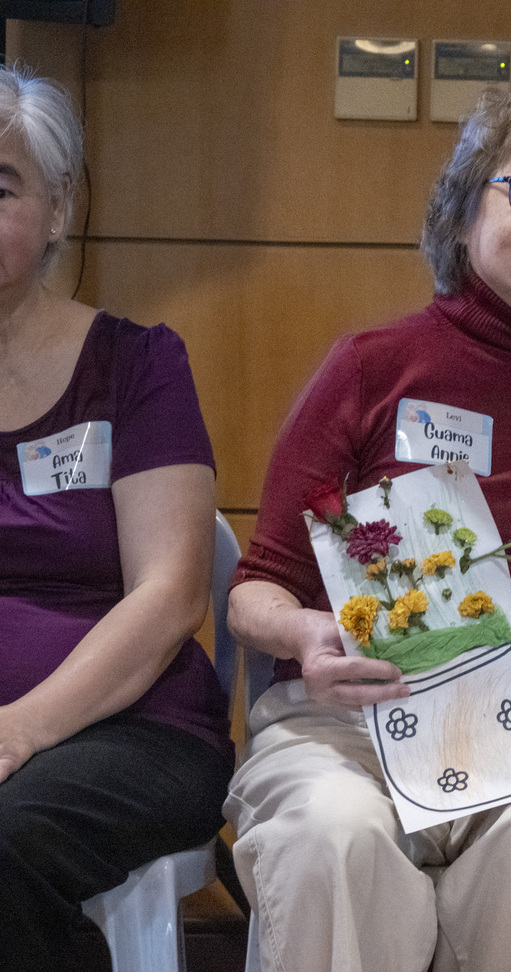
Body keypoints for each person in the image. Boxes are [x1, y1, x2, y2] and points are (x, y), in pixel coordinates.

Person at [224, 79, 511, 972]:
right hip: (352, 722)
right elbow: (256, 588)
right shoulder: (372, 367)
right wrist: (307, 630)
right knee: (332, 836)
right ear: (461, 215)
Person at [0, 66, 232, 971]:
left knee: (7, 841)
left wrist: (20, 727)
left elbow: (173, 595)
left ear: (57, 210)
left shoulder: (138, 365)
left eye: (1, 184)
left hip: (131, 728)